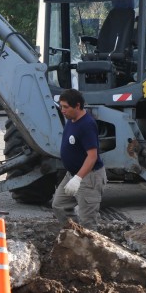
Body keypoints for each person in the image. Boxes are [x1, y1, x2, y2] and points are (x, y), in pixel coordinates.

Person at [51, 88, 107, 229]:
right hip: (72, 174)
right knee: (59, 206)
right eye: (61, 106)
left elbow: (92, 156)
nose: (62, 110)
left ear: (77, 106)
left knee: (88, 220)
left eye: (66, 107)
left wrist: (78, 178)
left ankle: (90, 248)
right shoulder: (71, 120)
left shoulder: (87, 125)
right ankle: (75, 236)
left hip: (88, 178)